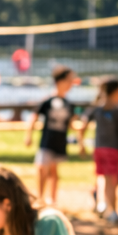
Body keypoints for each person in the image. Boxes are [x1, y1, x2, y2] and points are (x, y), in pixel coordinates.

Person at [77, 78, 118, 225]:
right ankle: (111, 211)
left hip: (99, 149)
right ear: (116, 92)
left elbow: (82, 126)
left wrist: (81, 144)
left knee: (103, 178)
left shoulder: (96, 109)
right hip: (113, 150)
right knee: (111, 180)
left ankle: (102, 204)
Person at [27, 65, 78, 207]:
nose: (71, 83)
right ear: (59, 81)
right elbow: (34, 116)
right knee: (42, 168)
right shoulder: (48, 101)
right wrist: (28, 135)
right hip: (47, 141)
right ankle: (39, 197)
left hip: (60, 141)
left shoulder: (68, 104)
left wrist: (80, 139)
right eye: (69, 80)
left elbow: (73, 122)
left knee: (54, 170)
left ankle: (52, 200)